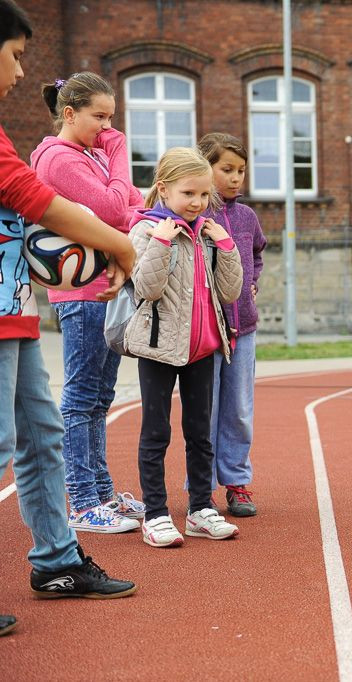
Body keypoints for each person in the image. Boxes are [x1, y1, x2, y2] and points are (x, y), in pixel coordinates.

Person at [1, 0, 137, 631]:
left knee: (41, 435)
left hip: (16, 307)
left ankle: (56, 559)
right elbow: (43, 203)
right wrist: (119, 245)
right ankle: (68, 535)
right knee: (10, 438)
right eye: (17, 54)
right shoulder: (47, 153)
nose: (24, 73)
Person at [31, 71, 146, 533]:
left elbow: (136, 205)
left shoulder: (88, 156)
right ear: (70, 113)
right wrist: (118, 157)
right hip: (83, 292)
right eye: (99, 117)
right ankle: (81, 501)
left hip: (106, 287)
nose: (108, 129)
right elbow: (120, 211)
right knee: (81, 398)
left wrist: (120, 195)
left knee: (100, 397)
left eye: (112, 119)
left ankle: (99, 491)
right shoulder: (60, 160)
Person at [125, 147, 243, 546]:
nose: (197, 203)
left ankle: (199, 509)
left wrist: (226, 247)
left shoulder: (207, 234)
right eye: (188, 194)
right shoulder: (145, 230)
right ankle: (155, 514)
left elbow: (230, 292)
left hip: (202, 349)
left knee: (200, 433)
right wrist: (160, 242)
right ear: (163, 190)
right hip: (158, 348)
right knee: (156, 432)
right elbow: (146, 287)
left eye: (204, 195)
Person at [197, 133, 267, 517]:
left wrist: (253, 281)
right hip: (206, 330)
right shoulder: (195, 213)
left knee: (239, 409)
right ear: (205, 168)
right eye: (226, 169)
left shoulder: (246, 216)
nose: (236, 177)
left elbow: (257, 252)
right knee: (204, 411)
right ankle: (201, 487)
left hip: (244, 330)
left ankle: (237, 482)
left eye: (241, 170)